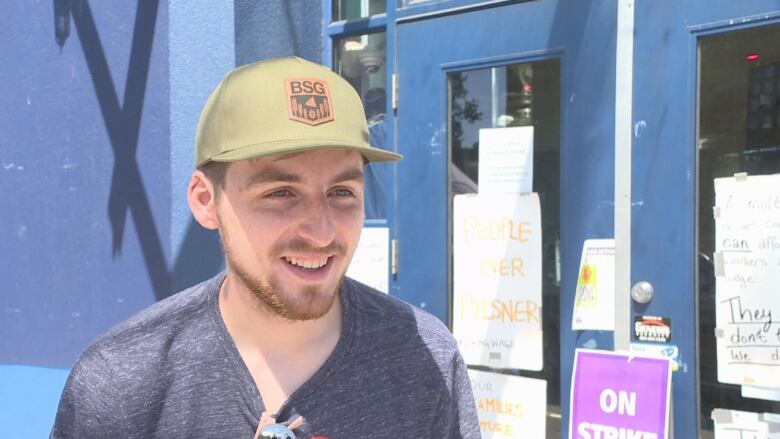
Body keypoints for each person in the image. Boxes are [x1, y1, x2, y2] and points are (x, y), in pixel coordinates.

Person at [51, 56, 480, 438]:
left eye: (342, 192)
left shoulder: (421, 358)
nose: (321, 232)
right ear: (206, 201)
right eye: (280, 193)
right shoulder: (123, 385)